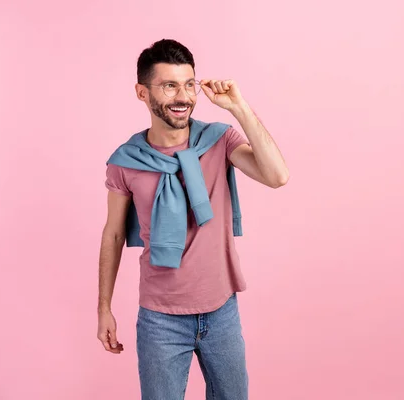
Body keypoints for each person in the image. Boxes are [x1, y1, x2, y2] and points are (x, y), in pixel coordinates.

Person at [97, 38, 289, 400]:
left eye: (189, 84)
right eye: (169, 85)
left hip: (221, 312)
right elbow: (113, 235)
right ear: (142, 92)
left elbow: (277, 176)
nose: (182, 96)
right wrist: (104, 309)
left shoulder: (218, 140)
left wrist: (239, 108)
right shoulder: (125, 161)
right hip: (160, 320)